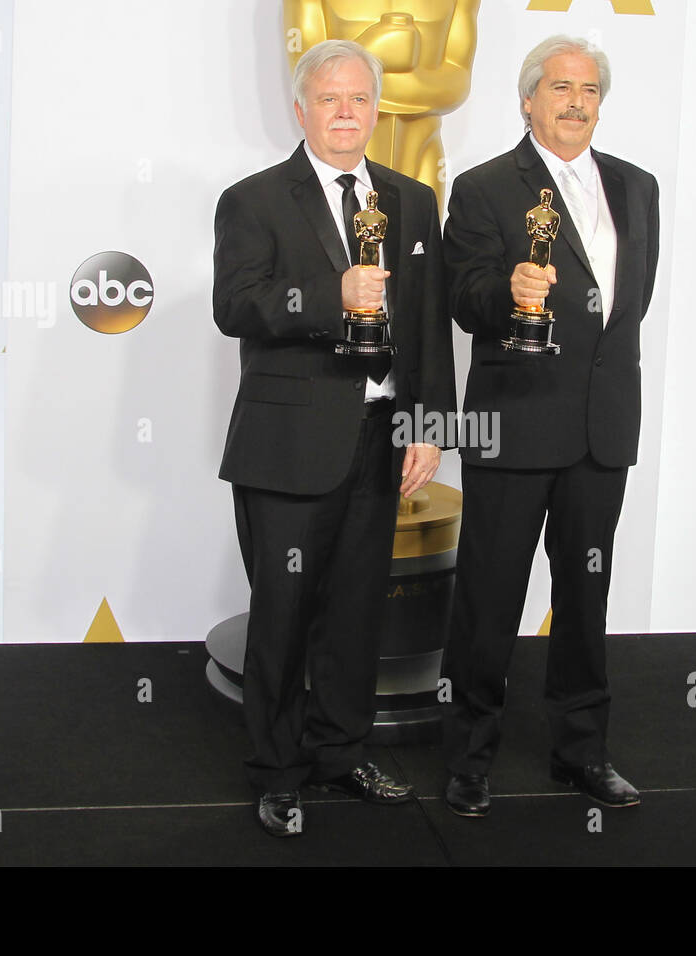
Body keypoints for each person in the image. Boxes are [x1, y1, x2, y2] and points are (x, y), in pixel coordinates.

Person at [213, 39, 455, 836]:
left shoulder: (412, 201)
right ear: (302, 110)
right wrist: (329, 292)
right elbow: (236, 308)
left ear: (375, 109)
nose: (346, 112)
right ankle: (278, 772)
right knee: (283, 613)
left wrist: (429, 423)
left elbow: (425, 325)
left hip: (383, 438)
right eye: (330, 99)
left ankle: (341, 752)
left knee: (356, 612)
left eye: (358, 99)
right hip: (287, 448)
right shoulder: (253, 200)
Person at [439, 34, 659, 817]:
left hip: (602, 432)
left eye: (590, 89)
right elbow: (462, 299)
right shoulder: (484, 187)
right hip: (514, 424)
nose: (576, 101)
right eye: (561, 87)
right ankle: (468, 759)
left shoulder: (638, 188)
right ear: (528, 98)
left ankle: (582, 753)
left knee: (587, 595)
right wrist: (509, 292)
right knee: (490, 598)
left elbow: (628, 309)